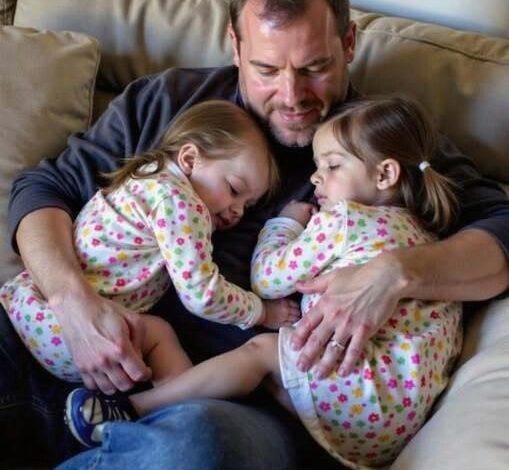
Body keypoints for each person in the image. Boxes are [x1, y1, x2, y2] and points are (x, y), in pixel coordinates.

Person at [2, 0, 508, 469]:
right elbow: (44, 189)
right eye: (267, 70)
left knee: (197, 446)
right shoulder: (170, 99)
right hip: (55, 334)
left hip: (232, 404)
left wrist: (394, 273)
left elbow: (501, 230)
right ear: (235, 44)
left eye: (314, 67)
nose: (292, 96)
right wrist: (72, 303)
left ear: (349, 43)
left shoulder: (380, 140)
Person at [64, 96, 463, 468]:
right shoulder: (427, 237)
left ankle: (134, 409)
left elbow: (268, 278)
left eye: (332, 166)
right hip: (393, 423)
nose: (316, 177)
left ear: (385, 173)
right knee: (274, 372)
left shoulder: (345, 221)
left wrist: (285, 224)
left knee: (261, 352)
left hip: (356, 394)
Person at [0, 100, 297, 396]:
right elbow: (202, 294)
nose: (237, 211)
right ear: (189, 159)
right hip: (73, 332)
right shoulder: (181, 203)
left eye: (248, 205)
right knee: (159, 335)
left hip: (27, 304)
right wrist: (260, 311)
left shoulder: (147, 175)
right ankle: (173, 406)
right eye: (234, 189)